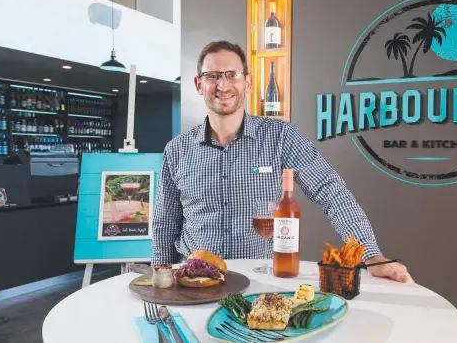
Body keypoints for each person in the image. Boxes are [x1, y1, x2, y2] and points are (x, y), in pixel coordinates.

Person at [152, 40, 413, 283]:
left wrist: (370, 254)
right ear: (199, 85)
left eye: (232, 75)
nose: (223, 85)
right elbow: (165, 223)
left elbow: (331, 190)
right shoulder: (177, 150)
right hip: (194, 283)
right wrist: (160, 283)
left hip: (258, 282)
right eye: (213, 76)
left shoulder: (280, 137)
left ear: (248, 83)